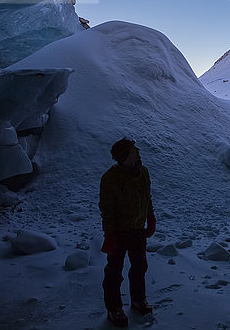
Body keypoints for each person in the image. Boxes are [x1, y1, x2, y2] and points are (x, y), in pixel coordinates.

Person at [99, 138, 156, 327]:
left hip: (137, 230)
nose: (138, 151)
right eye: (133, 150)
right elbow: (107, 208)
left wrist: (151, 218)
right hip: (119, 232)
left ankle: (138, 300)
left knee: (140, 266)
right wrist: (110, 234)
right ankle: (114, 308)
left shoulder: (143, 172)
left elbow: (147, 197)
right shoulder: (111, 178)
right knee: (114, 271)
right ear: (125, 156)